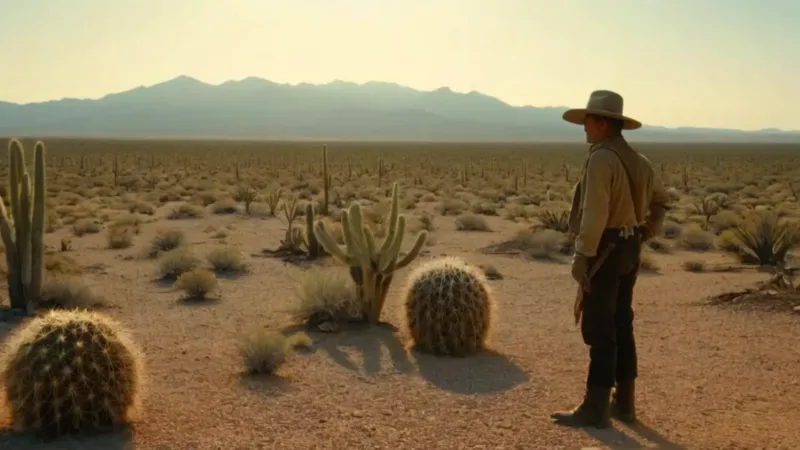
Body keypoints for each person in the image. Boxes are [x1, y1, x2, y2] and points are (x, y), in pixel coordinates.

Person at [550, 90, 670, 428]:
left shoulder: (602, 158)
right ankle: (625, 404)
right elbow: (661, 201)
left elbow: (595, 212)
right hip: (629, 248)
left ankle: (596, 407)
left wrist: (582, 256)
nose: (584, 127)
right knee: (621, 322)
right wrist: (644, 231)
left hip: (605, 248)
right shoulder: (640, 161)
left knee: (600, 328)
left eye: (588, 121)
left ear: (602, 124)